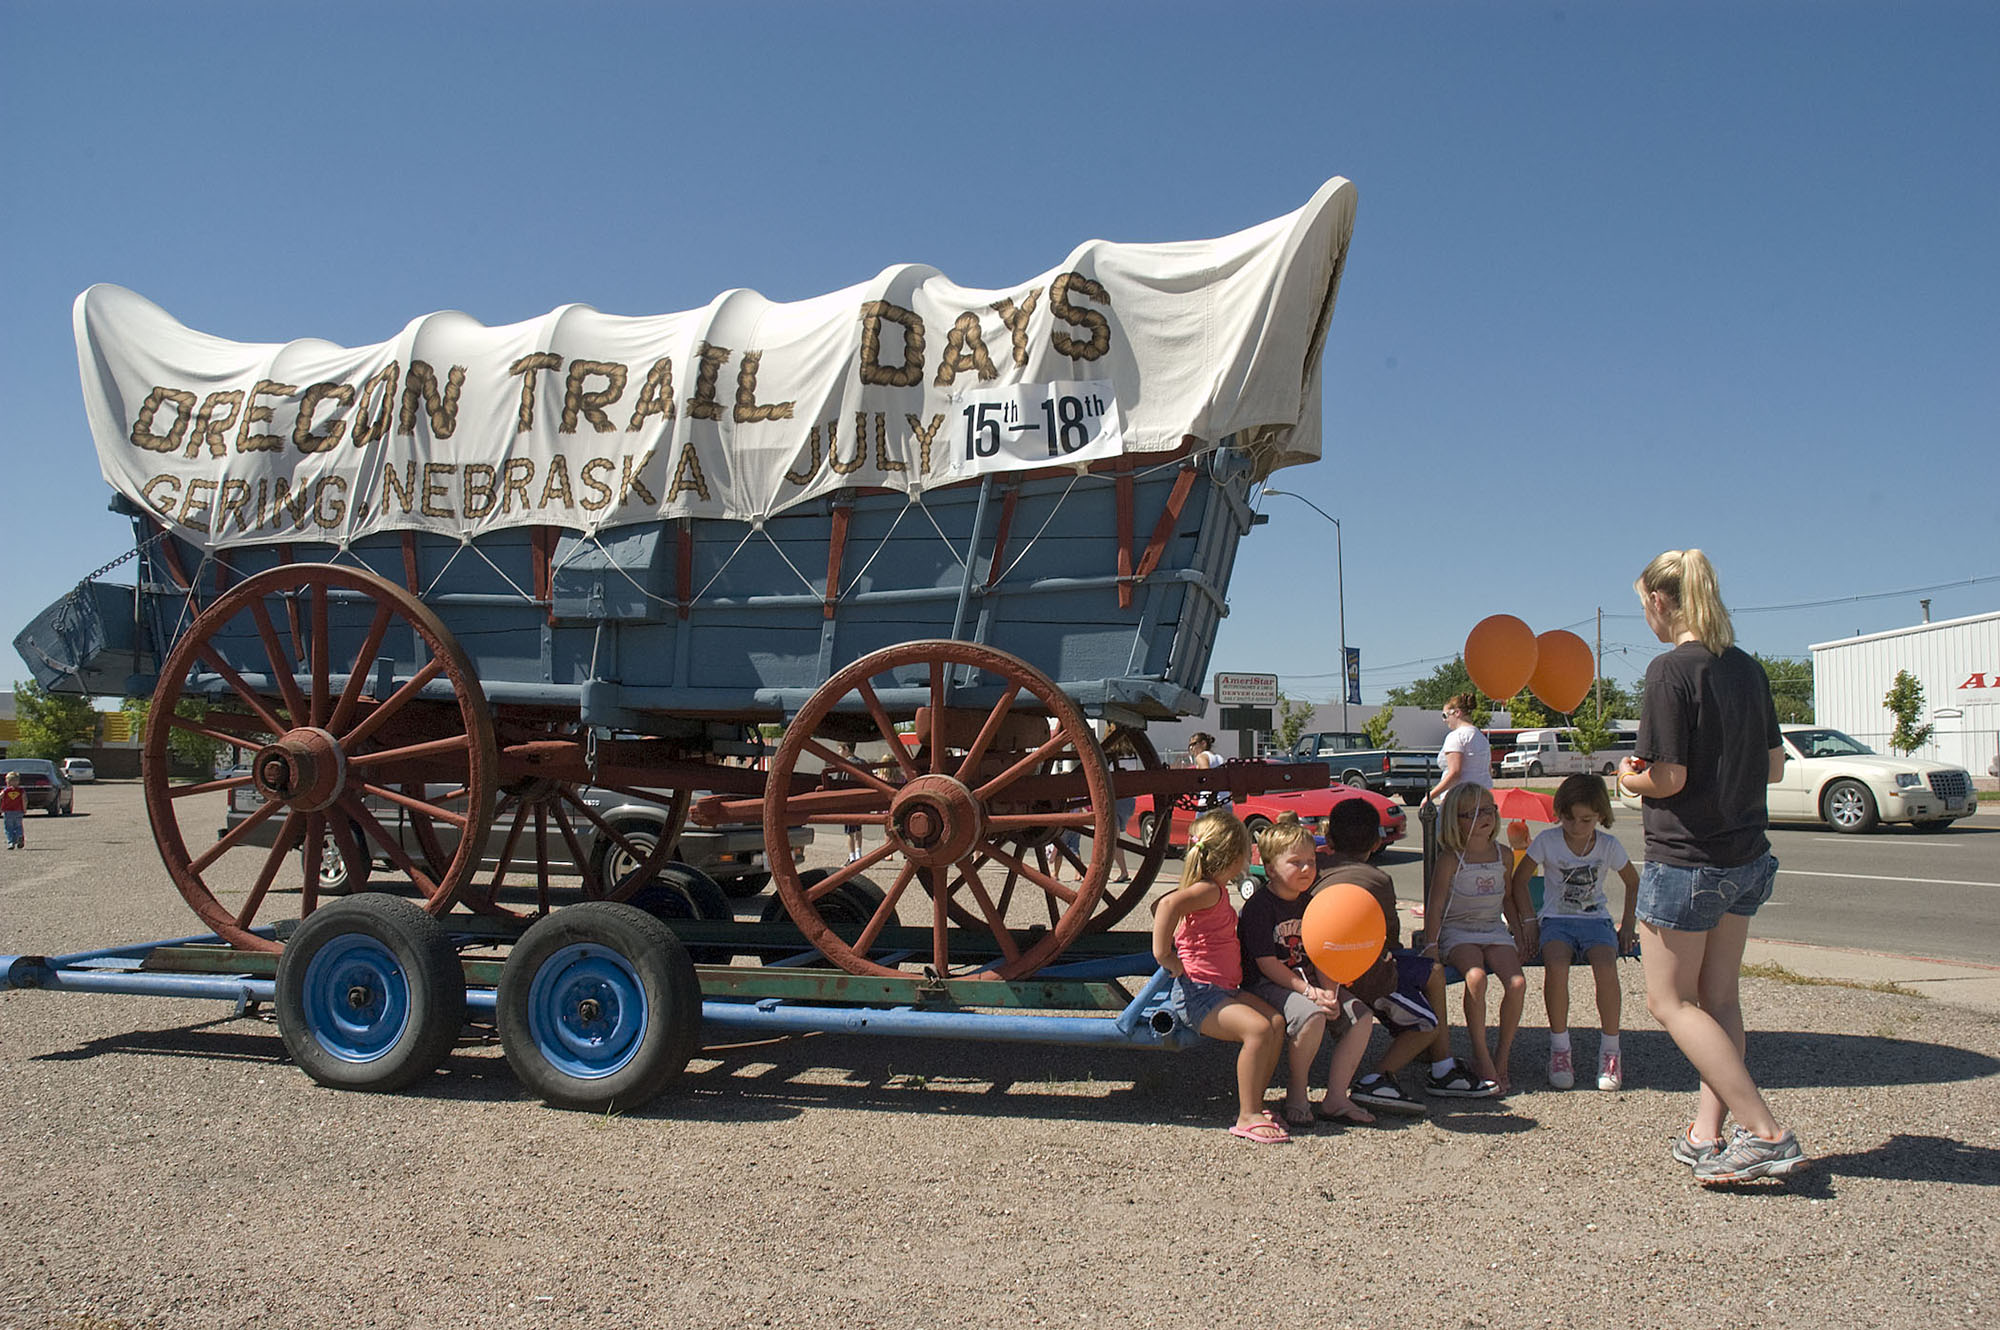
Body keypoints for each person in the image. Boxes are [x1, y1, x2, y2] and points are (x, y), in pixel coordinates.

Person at [1620, 548, 1805, 1183]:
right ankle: (1706, 1134)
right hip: (1747, 855)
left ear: (1662, 603)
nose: (1644, 614)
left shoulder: (1670, 671)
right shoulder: (1747, 669)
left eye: (1643, 602)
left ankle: (1767, 1133)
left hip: (1687, 860)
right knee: (1719, 997)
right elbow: (1776, 765)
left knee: (1669, 1001)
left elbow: (1667, 778)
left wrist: (1628, 780)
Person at [1315, 797, 1475, 1111]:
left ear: (1329, 838)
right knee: (1426, 1024)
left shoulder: (1316, 872)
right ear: (1377, 843)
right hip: (1369, 975)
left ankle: (1441, 1065)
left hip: (1326, 968)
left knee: (1433, 972)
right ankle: (1378, 1077)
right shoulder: (1379, 881)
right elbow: (1387, 939)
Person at [1150, 808, 1289, 1143]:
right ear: (1235, 856)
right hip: (1199, 994)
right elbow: (1166, 906)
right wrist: (1165, 954)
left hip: (1223, 989)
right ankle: (1247, 1115)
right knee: (1257, 1030)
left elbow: (1164, 906)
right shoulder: (1209, 890)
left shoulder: (1214, 890)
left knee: (1275, 1022)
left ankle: (1256, 1100)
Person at [1237, 814, 1376, 1128]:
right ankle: (1297, 1092)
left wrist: (1331, 991)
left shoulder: (1313, 903)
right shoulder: (1260, 907)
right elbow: (1266, 963)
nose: (1306, 869)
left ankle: (1337, 1097)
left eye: (1311, 861)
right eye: (1296, 862)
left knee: (1360, 1017)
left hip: (1311, 982)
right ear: (1270, 869)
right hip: (1268, 984)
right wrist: (1310, 993)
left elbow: (1323, 953)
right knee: (1311, 1015)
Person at [1510, 773, 1639, 1091]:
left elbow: (1633, 882)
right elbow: (1519, 880)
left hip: (1596, 921)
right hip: (1556, 919)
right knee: (1555, 965)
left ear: (1600, 817)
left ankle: (1611, 1050)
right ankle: (1560, 1048)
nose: (1577, 826)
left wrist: (1628, 925)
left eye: (1586, 819)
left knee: (1607, 967)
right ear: (1560, 814)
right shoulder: (1547, 841)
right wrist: (1529, 922)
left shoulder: (1608, 845)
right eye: (1569, 818)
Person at [1425, 783, 1527, 1093]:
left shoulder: (1504, 855)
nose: (1484, 818)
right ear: (1455, 821)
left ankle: (1503, 1054)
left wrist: (1520, 933)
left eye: (1488, 810)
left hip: (1493, 928)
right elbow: (1436, 905)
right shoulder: (1451, 859)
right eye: (1473, 813)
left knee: (1517, 983)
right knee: (1476, 977)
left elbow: (1508, 898)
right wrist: (1431, 944)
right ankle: (1481, 1054)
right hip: (1458, 930)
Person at [1426, 693, 1493, 805]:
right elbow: (1488, 770)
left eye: (1445, 715)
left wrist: (1430, 796)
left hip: (1459, 800)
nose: (1444, 720)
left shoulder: (1456, 736)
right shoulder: (1481, 737)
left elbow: (1455, 773)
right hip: (1482, 797)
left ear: (1457, 713)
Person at [836, 741, 864, 864]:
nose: (839, 752)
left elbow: (838, 782)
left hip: (848, 800)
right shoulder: (862, 763)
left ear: (846, 748)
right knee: (858, 829)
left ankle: (852, 857)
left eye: (840, 749)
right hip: (860, 800)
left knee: (849, 832)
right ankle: (859, 854)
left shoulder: (844, 764)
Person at [2, 772, 25, 850]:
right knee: (18, 826)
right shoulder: (21, 791)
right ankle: (20, 836)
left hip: (7, 811)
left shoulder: (6, 791)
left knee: (9, 828)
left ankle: (11, 842)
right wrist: (24, 808)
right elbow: (24, 799)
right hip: (18, 811)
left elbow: (0, 797)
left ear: (7, 782)